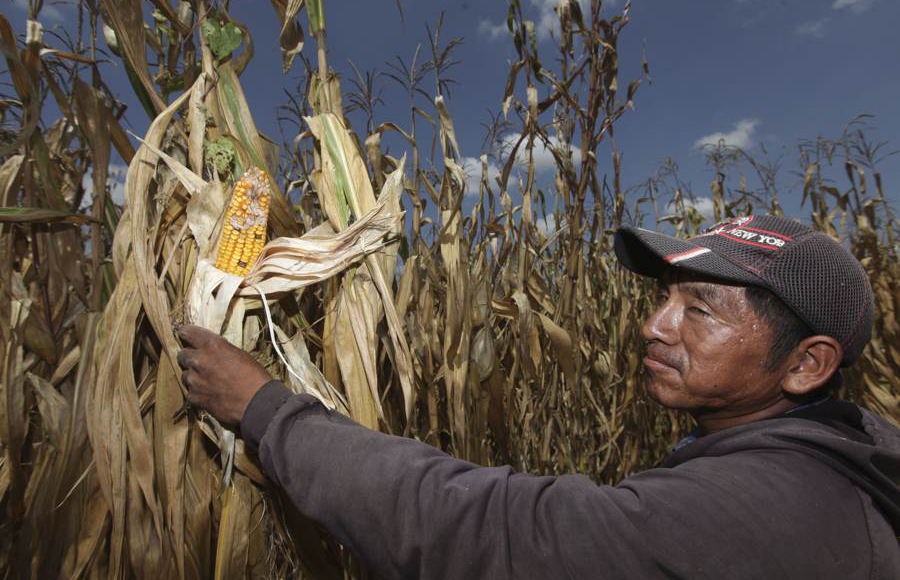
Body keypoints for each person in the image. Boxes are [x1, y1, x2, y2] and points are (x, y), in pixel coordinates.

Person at [177, 214, 900, 579]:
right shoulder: (826, 464)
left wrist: (266, 408)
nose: (653, 326)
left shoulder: (773, 513)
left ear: (807, 365)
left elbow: (495, 532)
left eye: (701, 311)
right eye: (662, 298)